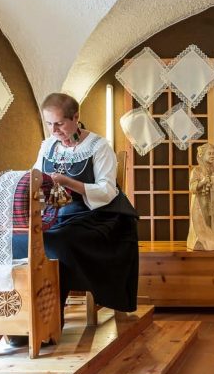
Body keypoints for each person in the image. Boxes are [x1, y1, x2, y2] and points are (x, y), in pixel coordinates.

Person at [11, 93, 139, 340]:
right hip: (56, 216)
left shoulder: (98, 147)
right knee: (19, 240)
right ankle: (22, 319)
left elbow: (107, 191)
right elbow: (34, 176)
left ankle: (49, 322)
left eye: (59, 123)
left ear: (76, 117)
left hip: (96, 216)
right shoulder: (48, 146)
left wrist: (69, 182)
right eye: (49, 124)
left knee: (58, 243)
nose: (54, 130)